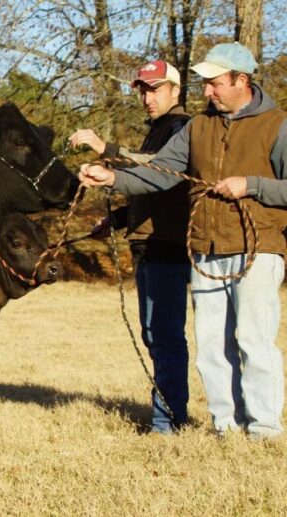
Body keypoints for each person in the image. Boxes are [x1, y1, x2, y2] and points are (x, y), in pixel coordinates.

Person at [79, 42, 287, 439]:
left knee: (254, 342)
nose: (207, 91)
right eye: (205, 83)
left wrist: (252, 185)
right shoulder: (198, 127)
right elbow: (160, 172)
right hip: (205, 249)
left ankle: (263, 429)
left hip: (258, 247)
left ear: (241, 81)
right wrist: (114, 178)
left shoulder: (278, 125)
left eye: (214, 83)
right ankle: (226, 427)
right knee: (211, 346)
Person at [69, 60, 191, 435]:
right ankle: (168, 415)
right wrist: (118, 221)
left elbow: (158, 173)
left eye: (155, 89)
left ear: (176, 89)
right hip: (147, 245)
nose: (147, 97)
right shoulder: (157, 130)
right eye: (142, 89)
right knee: (154, 334)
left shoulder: (182, 128)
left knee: (165, 334)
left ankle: (167, 421)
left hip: (167, 246)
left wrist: (105, 150)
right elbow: (147, 190)